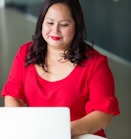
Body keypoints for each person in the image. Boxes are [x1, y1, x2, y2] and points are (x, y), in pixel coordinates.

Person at [1, 0, 120, 138]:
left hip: (80, 135)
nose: (55, 30)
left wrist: (63, 131)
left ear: (77, 26)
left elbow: (103, 115)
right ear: (41, 23)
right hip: (38, 134)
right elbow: (13, 96)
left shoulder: (96, 63)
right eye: (50, 23)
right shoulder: (25, 52)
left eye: (64, 24)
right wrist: (19, 124)